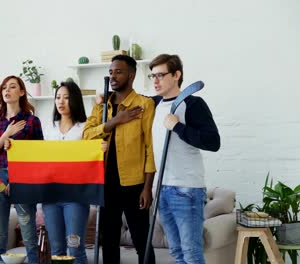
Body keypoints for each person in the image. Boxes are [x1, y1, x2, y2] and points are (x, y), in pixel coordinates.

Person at [83, 55, 157, 264]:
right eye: (111, 72)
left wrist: (147, 187)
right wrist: (114, 122)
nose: (113, 76)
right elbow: (86, 134)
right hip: (106, 184)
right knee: (109, 240)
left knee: (142, 238)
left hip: (134, 184)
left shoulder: (144, 104)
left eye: (119, 72)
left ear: (131, 75)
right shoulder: (102, 106)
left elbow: (150, 147)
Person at [149, 54, 220, 264]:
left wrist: (178, 127)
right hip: (161, 189)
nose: (155, 80)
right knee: (177, 253)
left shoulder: (193, 104)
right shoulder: (155, 105)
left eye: (160, 75)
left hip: (186, 190)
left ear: (176, 75)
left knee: (191, 253)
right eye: (152, 75)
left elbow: (213, 142)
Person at [0, 75, 43, 263]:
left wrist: (16, 150)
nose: (7, 91)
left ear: (22, 92)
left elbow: (39, 155)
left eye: (12, 87)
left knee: (29, 235)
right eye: (4, 88)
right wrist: (5, 136)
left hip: (23, 180)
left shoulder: (32, 121)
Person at [42, 81, 89, 264]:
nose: (61, 102)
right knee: (56, 250)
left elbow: (91, 158)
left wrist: (100, 147)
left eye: (67, 97)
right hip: (50, 196)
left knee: (75, 248)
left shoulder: (85, 128)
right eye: (58, 97)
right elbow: (38, 158)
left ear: (75, 100)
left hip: (75, 197)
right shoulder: (48, 128)